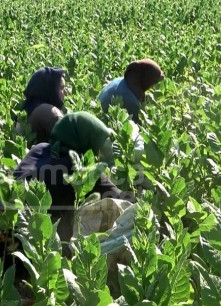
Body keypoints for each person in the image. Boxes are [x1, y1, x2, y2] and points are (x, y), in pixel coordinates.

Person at [13, 111, 133, 250]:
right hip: (32, 244)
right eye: (98, 146)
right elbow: (124, 201)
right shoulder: (79, 167)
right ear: (86, 141)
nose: (99, 154)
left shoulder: (39, 149)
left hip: (5, 228)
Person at [98, 59, 165, 123]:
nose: (152, 87)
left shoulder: (120, 80)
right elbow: (136, 127)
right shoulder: (130, 101)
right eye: (152, 83)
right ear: (146, 81)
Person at [20, 67, 67, 146]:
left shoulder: (28, 109)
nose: (66, 92)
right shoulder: (48, 112)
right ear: (50, 90)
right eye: (62, 87)